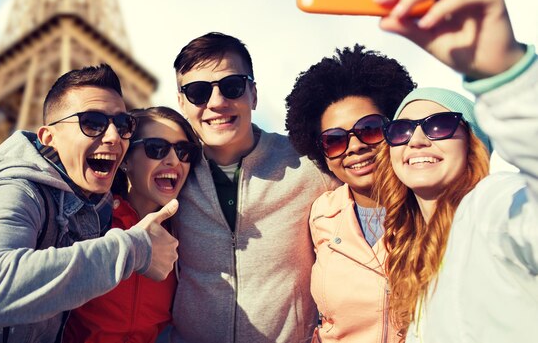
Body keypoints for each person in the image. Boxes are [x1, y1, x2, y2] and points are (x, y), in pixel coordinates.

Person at [0, 64, 179, 342]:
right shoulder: (13, 189)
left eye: (123, 125)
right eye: (92, 123)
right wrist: (136, 249)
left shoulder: (93, 205)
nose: (113, 137)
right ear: (49, 137)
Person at [372, 0, 537, 342]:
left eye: (438, 125)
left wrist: (507, 76)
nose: (416, 141)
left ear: (474, 142)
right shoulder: (408, 250)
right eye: (401, 130)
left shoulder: (496, 206)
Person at [170, 32, 340, 343]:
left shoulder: (308, 164)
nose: (217, 103)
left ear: (253, 94)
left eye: (232, 86)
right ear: (181, 103)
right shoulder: (171, 174)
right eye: (198, 92)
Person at [285, 45, 416, 343]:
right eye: (334, 140)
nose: (354, 146)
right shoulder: (321, 214)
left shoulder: (435, 207)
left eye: (369, 129)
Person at [62, 106, 201, 343]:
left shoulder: (185, 237)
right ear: (125, 160)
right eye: (156, 148)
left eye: (183, 151)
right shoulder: (86, 222)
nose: (174, 160)